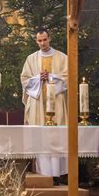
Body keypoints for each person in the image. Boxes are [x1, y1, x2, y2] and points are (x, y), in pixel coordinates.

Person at [20, 29, 68, 182]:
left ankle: (58, 173)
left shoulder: (62, 57)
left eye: (45, 40)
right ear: (36, 41)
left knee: (56, 136)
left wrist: (52, 76)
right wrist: (37, 78)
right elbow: (24, 80)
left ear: (50, 39)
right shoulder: (31, 59)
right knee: (40, 136)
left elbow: (68, 77)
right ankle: (42, 172)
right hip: (38, 101)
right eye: (39, 41)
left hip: (56, 102)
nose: (42, 43)